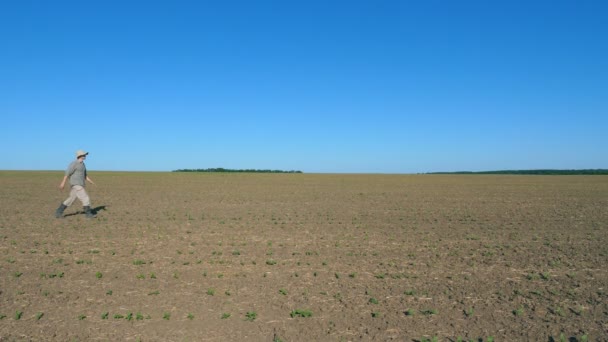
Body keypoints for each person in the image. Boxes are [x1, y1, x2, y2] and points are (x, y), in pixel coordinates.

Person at [55, 150, 97, 218]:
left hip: (80, 184)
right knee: (85, 198)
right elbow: (67, 173)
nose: (85, 156)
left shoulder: (83, 164)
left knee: (71, 199)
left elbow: (85, 175)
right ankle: (88, 214)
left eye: (85, 155)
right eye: (84, 155)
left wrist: (91, 181)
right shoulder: (74, 163)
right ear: (80, 156)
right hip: (76, 184)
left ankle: (58, 212)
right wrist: (63, 183)